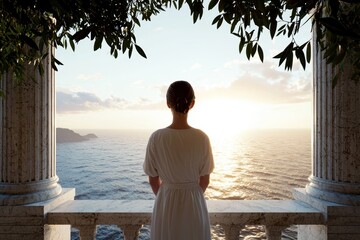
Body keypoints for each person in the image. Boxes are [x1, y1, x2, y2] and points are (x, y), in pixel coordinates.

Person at [143, 80, 215, 240]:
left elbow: (153, 180)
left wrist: (169, 194)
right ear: (192, 104)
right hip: (194, 202)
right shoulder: (202, 138)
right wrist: (189, 194)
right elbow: (205, 180)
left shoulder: (157, 137)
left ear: (168, 103)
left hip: (166, 202)